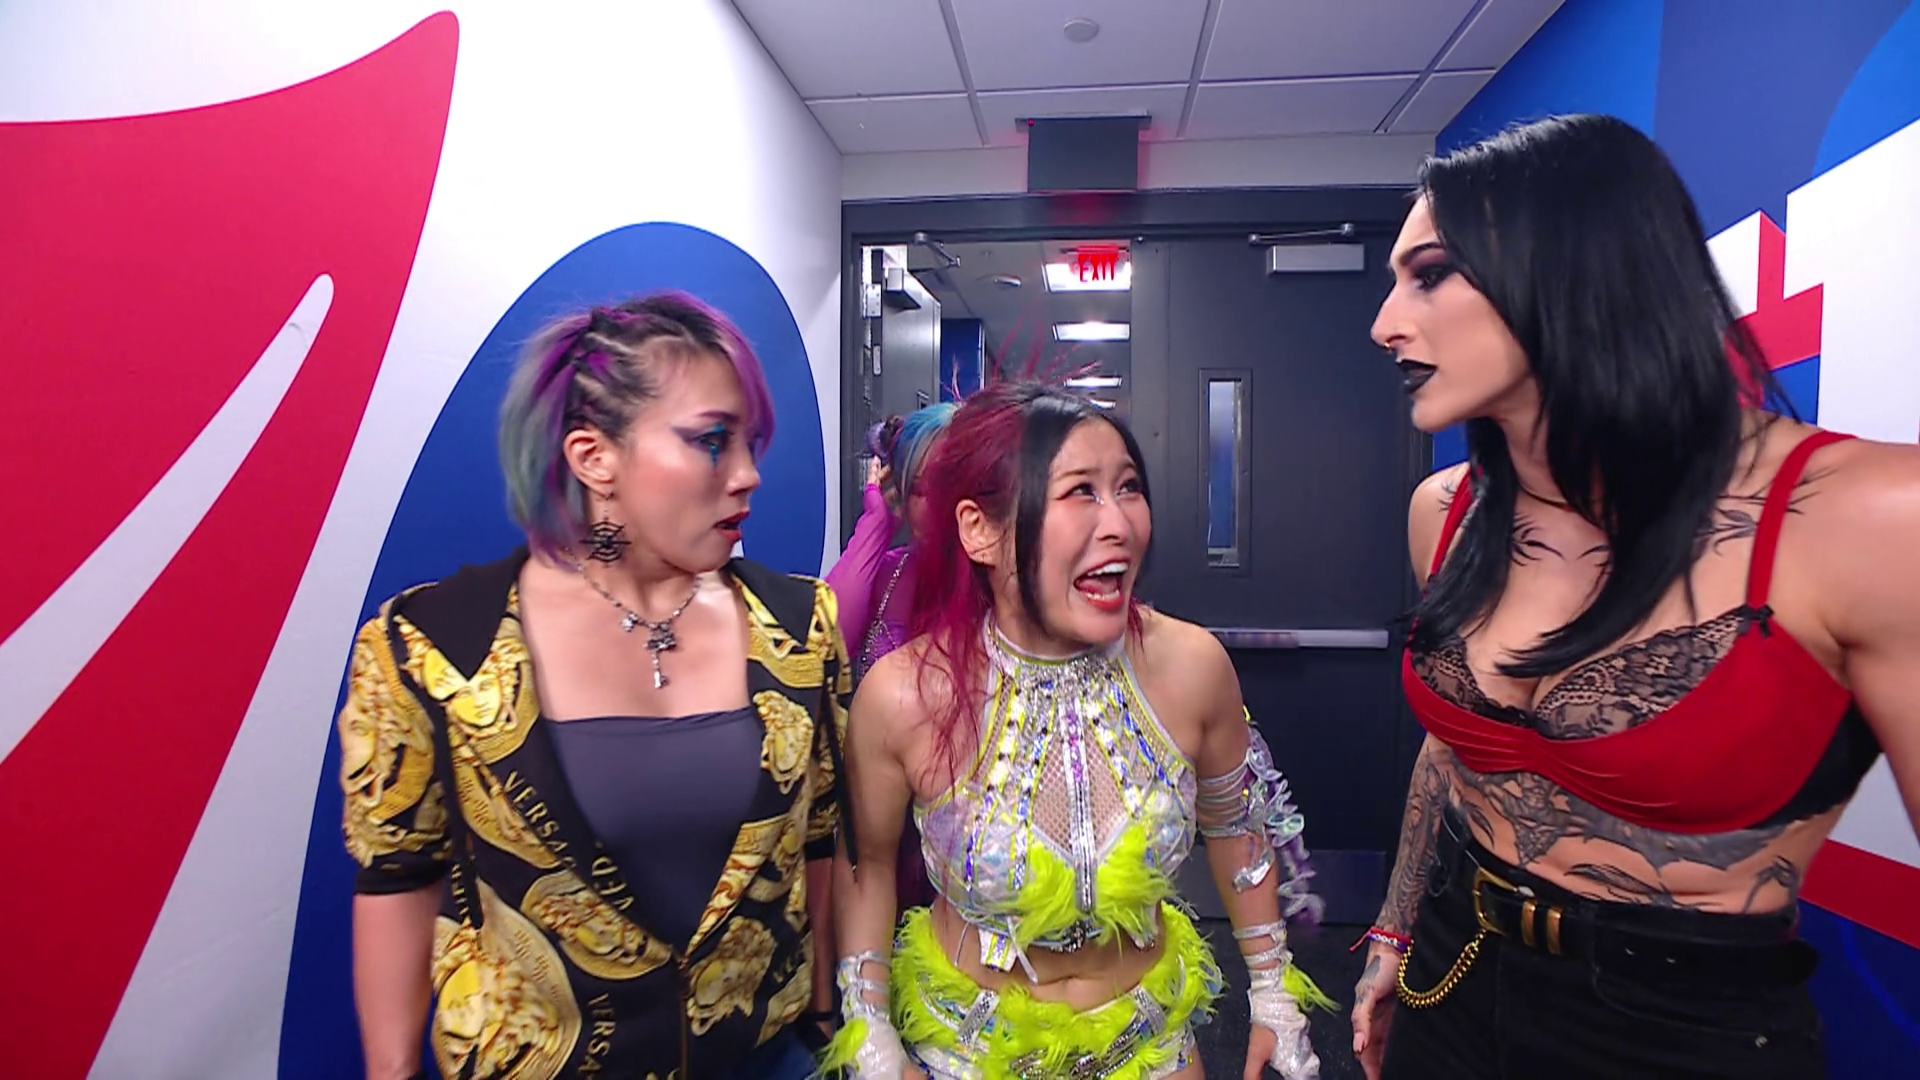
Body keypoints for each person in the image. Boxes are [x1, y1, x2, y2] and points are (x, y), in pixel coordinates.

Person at [1351, 114, 1920, 1080]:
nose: (1385, 324)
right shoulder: (1446, 513)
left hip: (1679, 1023)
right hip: (1458, 960)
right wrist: (1395, 933)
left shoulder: (1863, 518)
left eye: (1431, 273)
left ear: (1573, 265)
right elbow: (1455, 751)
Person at [337, 292, 849, 1080]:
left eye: (752, 443)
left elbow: (819, 844)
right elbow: (399, 875)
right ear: (593, 457)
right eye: (713, 440)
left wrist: (825, 1021)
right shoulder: (433, 647)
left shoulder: (800, 628)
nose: (748, 475)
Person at [824, 382, 1328, 1080]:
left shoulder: (1192, 666)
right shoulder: (905, 694)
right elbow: (869, 865)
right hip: (968, 1055)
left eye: (1128, 487)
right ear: (981, 530)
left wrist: (1272, 990)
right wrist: (870, 1030)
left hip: (1152, 1050)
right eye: (1080, 491)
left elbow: (1236, 826)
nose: (1119, 522)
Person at [827, 402, 958, 914]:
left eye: (957, 481)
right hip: (882, 842)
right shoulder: (888, 574)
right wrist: (876, 523)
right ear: (900, 495)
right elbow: (829, 639)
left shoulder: (1005, 589)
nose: (945, 503)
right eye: (924, 488)